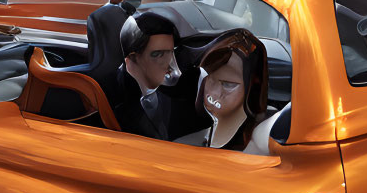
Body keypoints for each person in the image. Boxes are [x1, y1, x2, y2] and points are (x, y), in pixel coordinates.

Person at [106, 11, 183, 140]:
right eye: (157, 54)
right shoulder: (112, 101)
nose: (169, 65)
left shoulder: (172, 97)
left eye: (170, 53)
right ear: (132, 59)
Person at [188, 29, 268, 151]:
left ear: (252, 87)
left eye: (228, 85)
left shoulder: (260, 141)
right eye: (209, 79)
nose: (213, 93)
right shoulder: (192, 128)